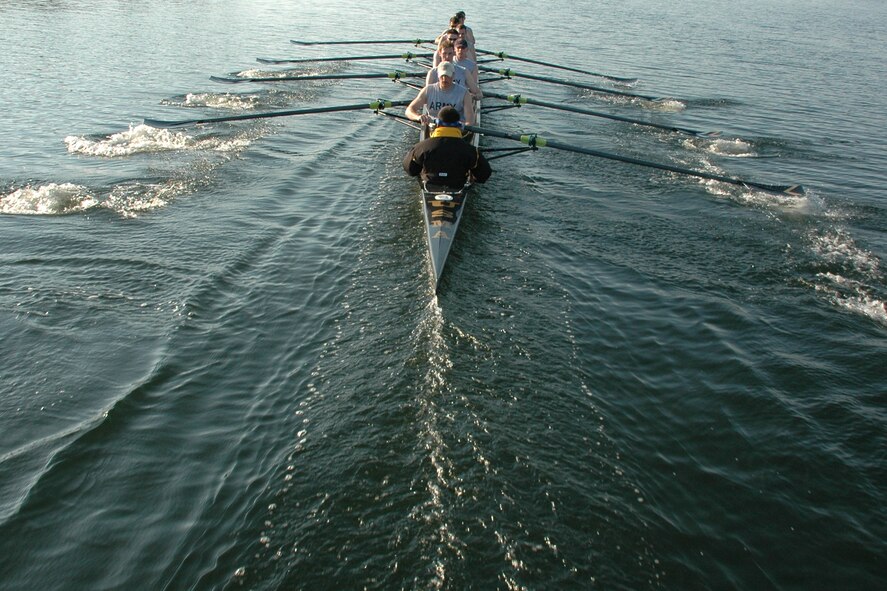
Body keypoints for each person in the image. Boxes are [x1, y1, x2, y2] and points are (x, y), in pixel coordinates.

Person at [403, 106, 491, 189]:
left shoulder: (421, 147)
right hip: (457, 185)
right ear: (459, 126)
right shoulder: (472, 151)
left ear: (437, 125)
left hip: (430, 184)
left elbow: (410, 170)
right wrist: (472, 177)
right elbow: (484, 175)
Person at [406, 61, 474, 127]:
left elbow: (470, 120)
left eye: (447, 75)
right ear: (438, 75)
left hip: (455, 128)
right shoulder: (428, 90)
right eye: (442, 75)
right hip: (434, 127)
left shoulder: (464, 93)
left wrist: (464, 126)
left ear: (453, 76)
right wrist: (418, 117)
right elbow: (409, 110)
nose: (444, 79)